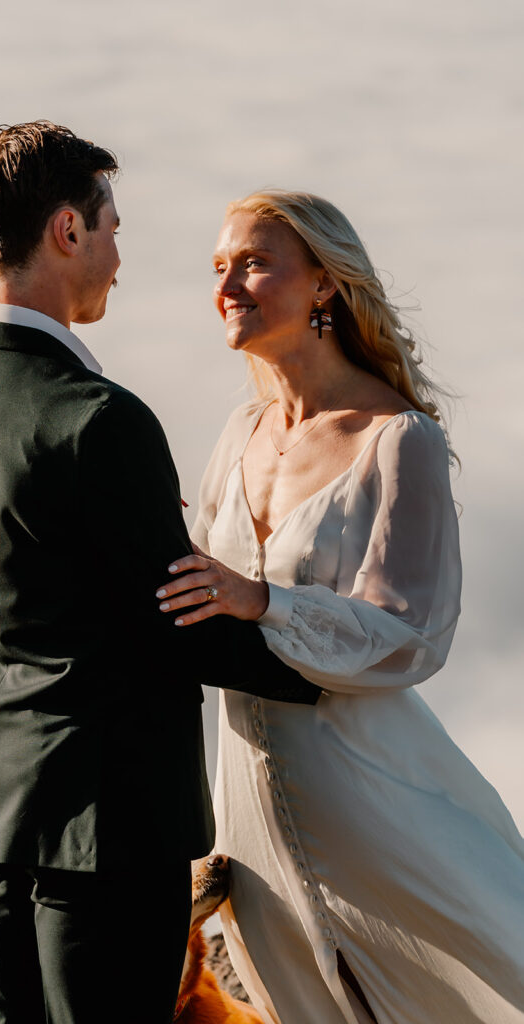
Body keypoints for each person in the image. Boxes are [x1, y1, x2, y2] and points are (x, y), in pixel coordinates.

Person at [0, 125, 321, 1024]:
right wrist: (335, 661)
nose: (119, 255)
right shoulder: (97, 421)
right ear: (66, 232)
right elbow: (175, 615)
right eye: (111, 228)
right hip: (111, 822)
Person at [155, 190, 524, 1023]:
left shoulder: (400, 441)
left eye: (252, 263)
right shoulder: (237, 433)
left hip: (374, 790)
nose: (228, 287)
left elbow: (410, 637)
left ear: (324, 284)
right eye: (219, 269)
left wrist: (263, 599)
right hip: (244, 800)